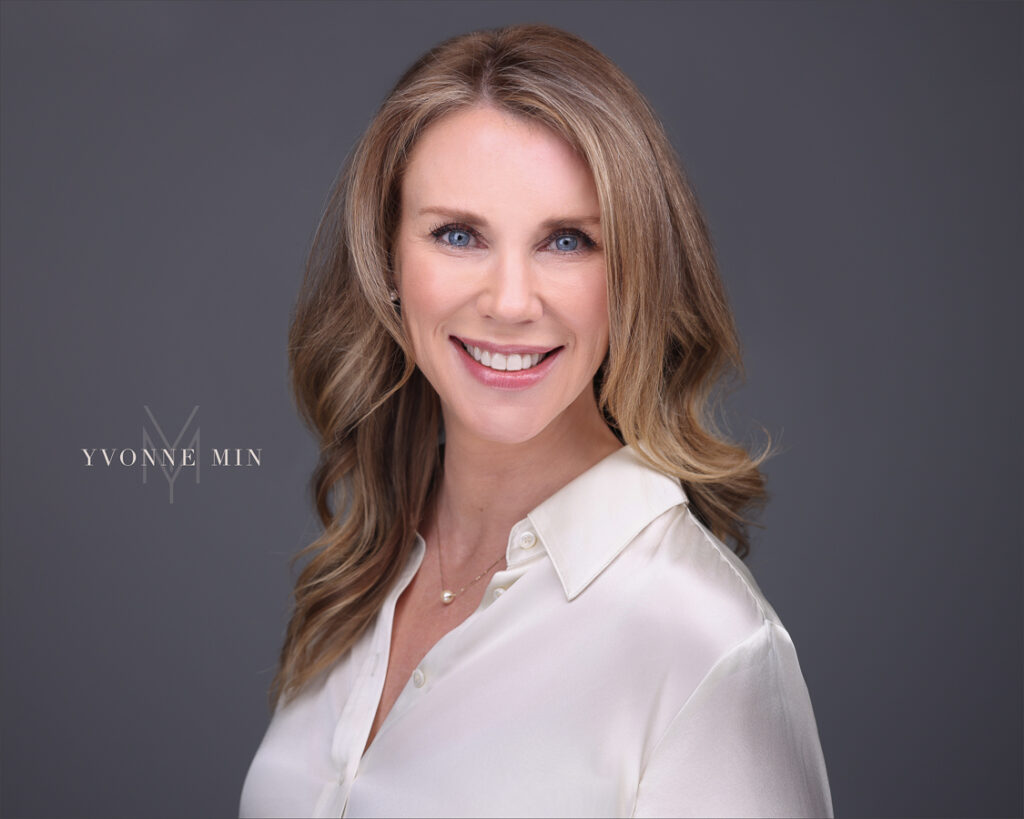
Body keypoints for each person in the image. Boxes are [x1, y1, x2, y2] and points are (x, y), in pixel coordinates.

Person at [240, 23, 833, 819]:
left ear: (633, 275)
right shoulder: (363, 581)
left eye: (567, 241)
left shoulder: (704, 643)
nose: (511, 301)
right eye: (458, 234)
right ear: (387, 264)